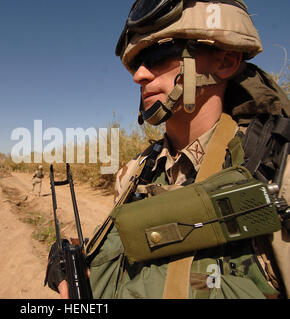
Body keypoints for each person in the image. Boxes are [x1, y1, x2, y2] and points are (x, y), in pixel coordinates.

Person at [45, 0, 289, 299]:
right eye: (137, 63)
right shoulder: (135, 173)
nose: (140, 76)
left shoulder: (276, 170)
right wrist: (79, 271)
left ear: (226, 61)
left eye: (160, 55)